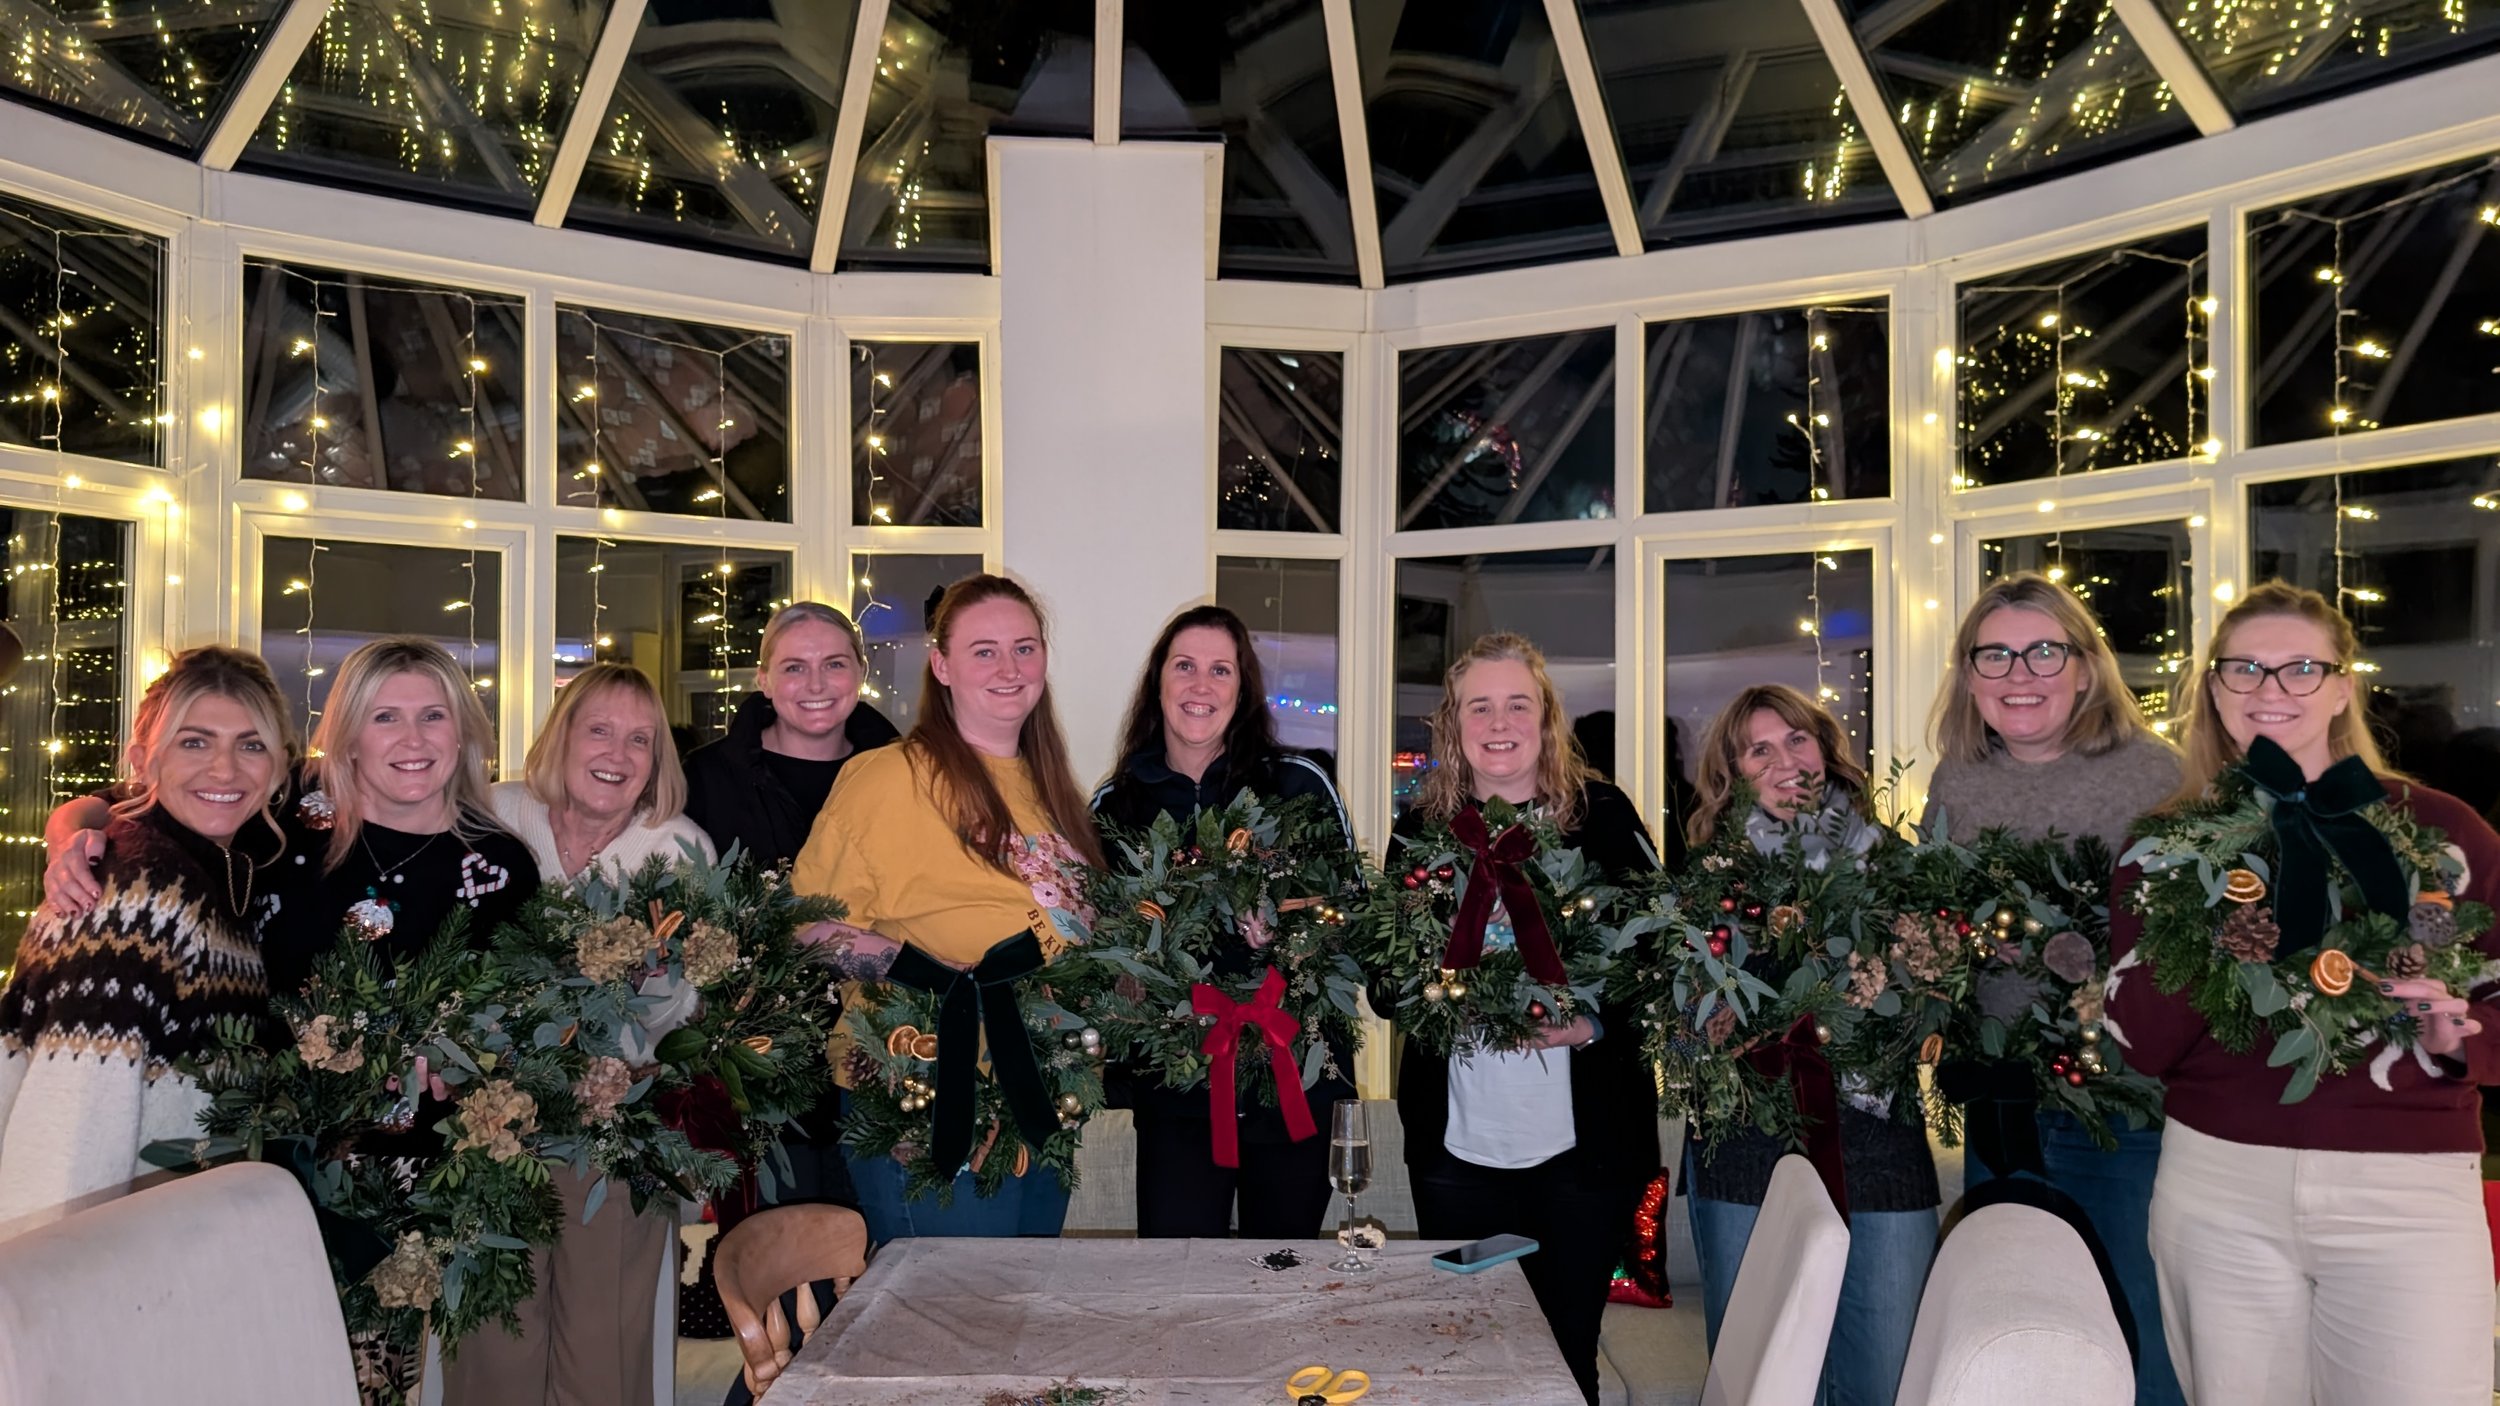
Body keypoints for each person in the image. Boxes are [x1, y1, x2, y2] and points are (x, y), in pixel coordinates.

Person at [2109, 582, 2500, 1405]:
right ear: (2214, 689)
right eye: (2245, 670)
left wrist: (2462, 1038)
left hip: (2406, 1193)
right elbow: (2140, 1043)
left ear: (2341, 686)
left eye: (2299, 670)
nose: (2270, 691)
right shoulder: (2167, 846)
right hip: (2221, 1187)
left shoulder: (2444, 835)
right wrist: (2209, 911)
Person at [1923, 572, 2184, 1405]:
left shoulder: (2155, 776)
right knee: (2021, 1320)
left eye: (2043, 650)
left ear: (2085, 666)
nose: (2018, 673)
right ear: (1969, 677)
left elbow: (2193, 944)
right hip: (1999, 1094)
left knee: (2131, 1320)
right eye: (1994, 655)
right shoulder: (1956, 780)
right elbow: (1936, 922)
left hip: (2119, 1102)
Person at [1385, 632, 1658, 1406]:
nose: (1499, 721)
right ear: (1453, 721)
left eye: (1518, 704)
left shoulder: (1600, 816)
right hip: (1457, 1155)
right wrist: (1433, 984)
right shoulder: (1422, 830)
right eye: (1480, 705)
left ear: (1546, 719)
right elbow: (1382, 983)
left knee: (1566, 1357)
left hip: (1585, 1154)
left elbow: (1662, 955)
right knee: (1472, 1359)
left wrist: (1590, 1023)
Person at [794, 573, 1102, 1243]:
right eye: (984, 650)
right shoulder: (888, 777)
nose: (1009, 667)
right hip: (930, 1092)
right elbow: (803, 926)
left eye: (1025, 648)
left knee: (1017, 1316)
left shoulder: (1050, 786)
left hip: (1041, 1090)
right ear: (942, 665)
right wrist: (913, 967)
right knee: (944, 1322)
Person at [449, 662, 713, 1406]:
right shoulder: (491, 816)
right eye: (599, 729)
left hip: (617, 1132)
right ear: (561, 737)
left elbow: (687, 1013)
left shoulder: (679, 849)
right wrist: (92, 815)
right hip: (489, 1128)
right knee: (492, 1343)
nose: (618, 754)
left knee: (605, 1352)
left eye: (639, 740)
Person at [1683, 683, 1931, 1406]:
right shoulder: (1706, 886)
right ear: (1733, 775)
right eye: (1759, 748)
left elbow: (1927, 1004)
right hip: (1744, 1163)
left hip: (1882, 1158)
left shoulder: (1894, 869)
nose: (1785, 759)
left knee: (1885, 1383)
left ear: (1826, 752)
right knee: (1760, 1387)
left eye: (1797, 739)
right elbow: (1692, 1027)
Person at [42, 637, 540, 991]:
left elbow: (515, 1011)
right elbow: (129, 798)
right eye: (384, 717)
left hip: (415, 1135)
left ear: (462, 731)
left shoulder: (499, 865)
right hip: (244, 1117)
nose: (413, 739)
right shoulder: (289, 796)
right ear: (350, 736)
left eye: (434, 715)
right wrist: (68, 840)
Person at [0, 647, 295, 1225]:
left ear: (281, 764)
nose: (225, 770)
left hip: (170, 1232)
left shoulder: (218, 860)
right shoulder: (141, 888)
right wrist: (59, 1284)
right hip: (109, 1256)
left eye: (251, 744)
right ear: (143, 759)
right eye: (194, 741)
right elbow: (73, 1120)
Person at [1091, 603, 1355, 1239]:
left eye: (1220, 670)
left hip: (1291, 1078)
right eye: (1184, 667)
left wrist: (1289, 931)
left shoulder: (1300, 781)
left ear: (1244, 688)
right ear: (1159, 683)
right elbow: (1101, 945)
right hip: (1178, 1091)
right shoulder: (1118, 802)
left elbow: (1350, 916)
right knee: (1176, 1284)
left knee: (1282, 1280)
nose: (1200, 686)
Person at [680, 604, 898, 1236]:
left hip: (883, 1056)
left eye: (835, 665)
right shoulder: (706, 780)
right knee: (786, 1262)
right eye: (795, 667)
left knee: (881, 1255)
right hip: (762, 1072)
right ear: (763, 679)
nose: (817, 684)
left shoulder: (906, 774)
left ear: (860, 673)